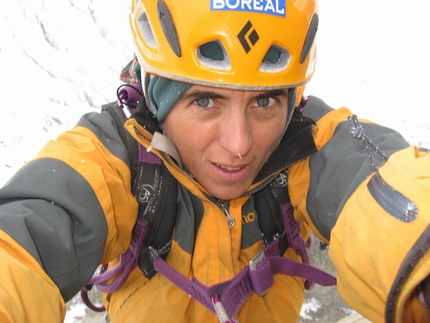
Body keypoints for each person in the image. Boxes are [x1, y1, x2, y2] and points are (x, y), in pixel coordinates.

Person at [0, 0, 429, 322]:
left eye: (264, 101)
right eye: (204, 99)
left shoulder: (301, 143)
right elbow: (26, 236)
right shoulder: (119, 155)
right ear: (157, 100)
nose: (240, 145)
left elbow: (381, 182)